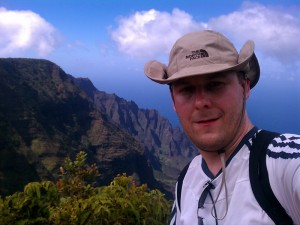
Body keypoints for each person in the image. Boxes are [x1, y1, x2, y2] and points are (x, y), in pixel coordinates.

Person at [144, 30, 300, 225]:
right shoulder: (184, 183)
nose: (201, 102)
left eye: (215, 84)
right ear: (173, 101)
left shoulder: (283, 161)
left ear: (245, 88)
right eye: (186, 89)